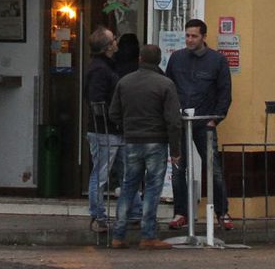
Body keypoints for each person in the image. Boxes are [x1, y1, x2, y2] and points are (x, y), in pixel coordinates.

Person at [106, 42, 180, 249]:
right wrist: (175, 149)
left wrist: (127, 127)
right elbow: (173, 121)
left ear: (140, 59)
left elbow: (113, 113)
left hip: (132, 140)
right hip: (156, 140)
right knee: (153, 188)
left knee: (128, 187)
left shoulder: (125, 82)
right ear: (159, 60)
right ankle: (148, 235)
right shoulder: (165, 84)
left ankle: (118, 235)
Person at [165, 18, 233, 231]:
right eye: (187, 35)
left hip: (205, 123)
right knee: (178, 169)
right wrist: (171, 117)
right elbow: (168, 88)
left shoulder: (217, 60)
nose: (189, 40)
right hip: (181, 123)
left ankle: (222, 212)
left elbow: (225, 92)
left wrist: (215, 119)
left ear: (204, 37)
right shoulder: (176, 58)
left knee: (214, 169)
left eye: (194, 36)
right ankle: (181, 213)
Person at [83, 27, 121, 233]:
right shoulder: (100, 70)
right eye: (114, 39)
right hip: (105, 131)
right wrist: (114, 119)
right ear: (108, 46)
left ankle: (133, 211)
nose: (116, 41)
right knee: (101, 174)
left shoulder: (104, 67)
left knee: (124, 172)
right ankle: (98, 215)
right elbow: (97, 102)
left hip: (110, 130)